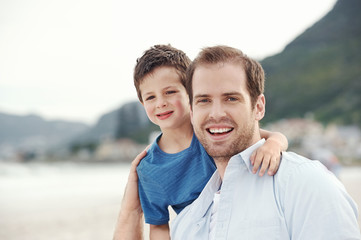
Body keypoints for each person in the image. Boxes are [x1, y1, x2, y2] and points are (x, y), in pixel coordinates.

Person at [169, 45, 361, 239]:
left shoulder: (306, 185)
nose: (216, 113)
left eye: (231, 98)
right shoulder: (185, 224)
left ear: (258, 107)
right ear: (192, 113)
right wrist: (135, 213)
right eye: (204, 100)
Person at [114, 45, 289, 240]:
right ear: (142, 103)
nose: (160, 103)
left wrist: (273, 147)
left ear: (191, 93)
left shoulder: (213, 133)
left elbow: (273, 136)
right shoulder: (149, 168)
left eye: (170, 92)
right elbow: (159, 226)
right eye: (150, 97)